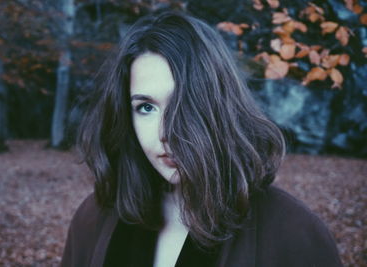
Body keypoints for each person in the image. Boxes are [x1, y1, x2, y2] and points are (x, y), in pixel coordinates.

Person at [61, 11, 343, 267]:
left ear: (218, 106)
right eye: (146, 107)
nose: (164, 133)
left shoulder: (292, 233)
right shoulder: (95, 218)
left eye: (183, 105)